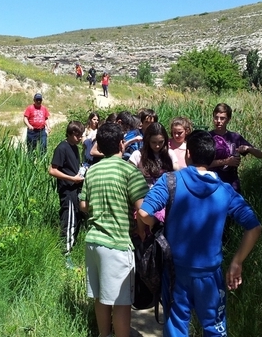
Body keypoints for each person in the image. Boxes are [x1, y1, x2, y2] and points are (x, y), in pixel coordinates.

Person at [138, 130, 262, 336]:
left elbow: (144, 213)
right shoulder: (224, 190)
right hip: (210, 274)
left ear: (189, 155)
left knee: (176, 327)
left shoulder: (170, 181)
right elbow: (254, 227)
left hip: (176, 272)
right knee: (214, 328)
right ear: (212, 157)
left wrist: (155, 223)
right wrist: (236, 262)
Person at [79, 122, 149, 337]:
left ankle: (103, 334)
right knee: (120, 301)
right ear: (121, 144)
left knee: (101, 296)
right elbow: (142, 211)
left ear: (99, 145)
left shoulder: (92, 171)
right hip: (117, 244)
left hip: (93, 242)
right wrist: (142, 230)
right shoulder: (130, 171)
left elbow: (83, 205)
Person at [48, 120, 86, 269]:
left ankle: (72, 247)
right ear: (71, 133)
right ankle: (65, 254)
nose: (80, 138)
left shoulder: (74, 148)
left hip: (76, 188)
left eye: (81, 135)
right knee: (68, 220)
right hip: (67, 190)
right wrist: (72, 179)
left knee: (76, 219)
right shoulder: (62, 148)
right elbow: (52, 170)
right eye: (78, 136)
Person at [209, 103, 262, 193]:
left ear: (229, 120)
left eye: (222, 118)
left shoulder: (235, 137)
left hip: (232, 185)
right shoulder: (207, 137)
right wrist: (227, 162)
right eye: (216, 117)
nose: (218, 121)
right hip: (212, 184)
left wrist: (248, 148)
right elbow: (201, 164)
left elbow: (261, 155)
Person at [129, 122, 178, 189]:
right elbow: (130, 177)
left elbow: (177, 170)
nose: (157, 146)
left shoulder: (170, 154)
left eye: (161, 142)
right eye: (153, 142)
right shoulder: (137, 155)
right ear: (147, 140)